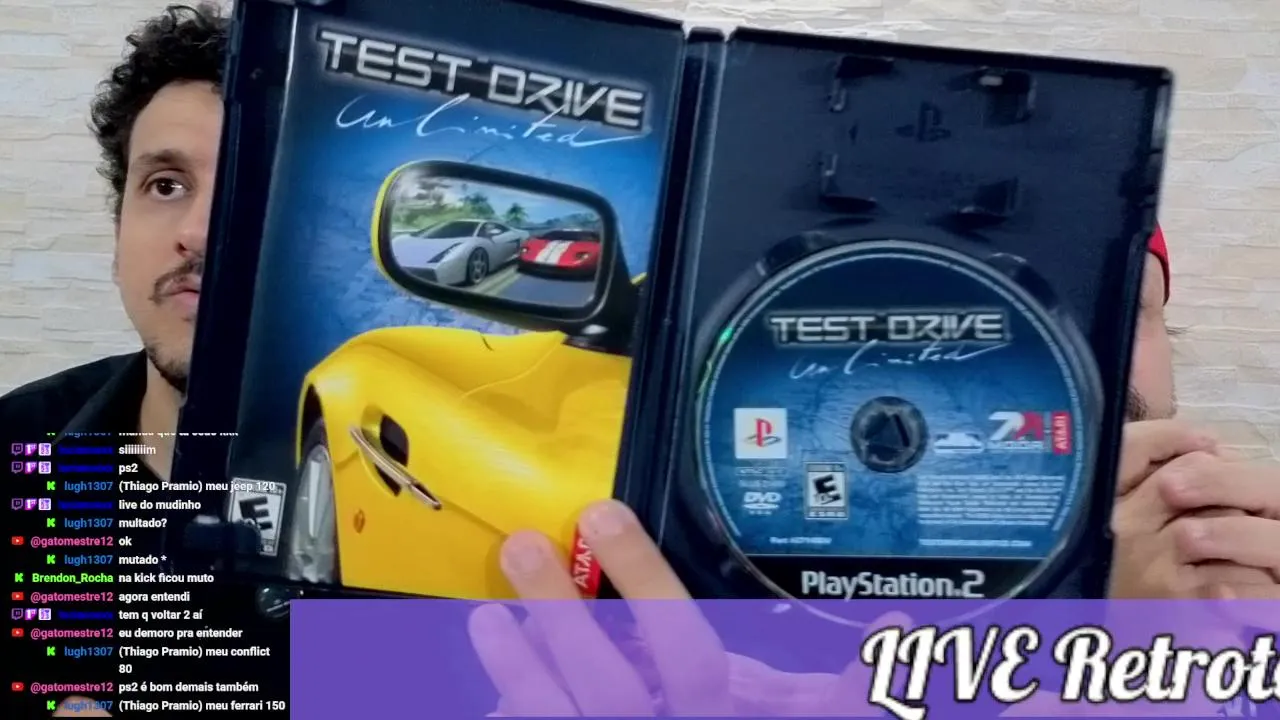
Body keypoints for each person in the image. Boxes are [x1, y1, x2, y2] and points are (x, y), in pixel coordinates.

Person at [1, 1, 1274, 715]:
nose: (204, 231)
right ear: (118, 221)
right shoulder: (27, 458)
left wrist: (1126, 670)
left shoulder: (1188, 602)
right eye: (165, 183)